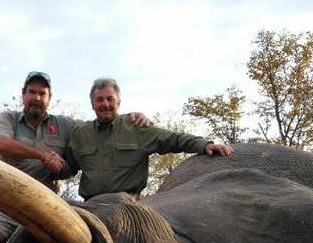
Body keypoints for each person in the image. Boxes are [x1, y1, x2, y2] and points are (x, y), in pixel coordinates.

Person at [0, 71, 151, 243]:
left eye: (42, 94)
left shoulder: (64, 125)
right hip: (5, 197)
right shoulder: (8, 118)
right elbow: (1, 144)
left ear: (49, 98)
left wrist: (130, 118)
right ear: (23, 94)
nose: (37, 98)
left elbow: (100, 124)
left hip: (44, 202)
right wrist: (42, 155)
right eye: (32, 92)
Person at [64, 78, 233, 201]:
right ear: (92, 104)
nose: (105, 104)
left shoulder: (136, 126)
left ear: (119, 102)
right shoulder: (81, 134)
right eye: (99, 100)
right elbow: (67, 166)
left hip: (128, 206)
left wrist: (205, 145)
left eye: (110, 99)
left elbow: (172, 138)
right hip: (91, 206)